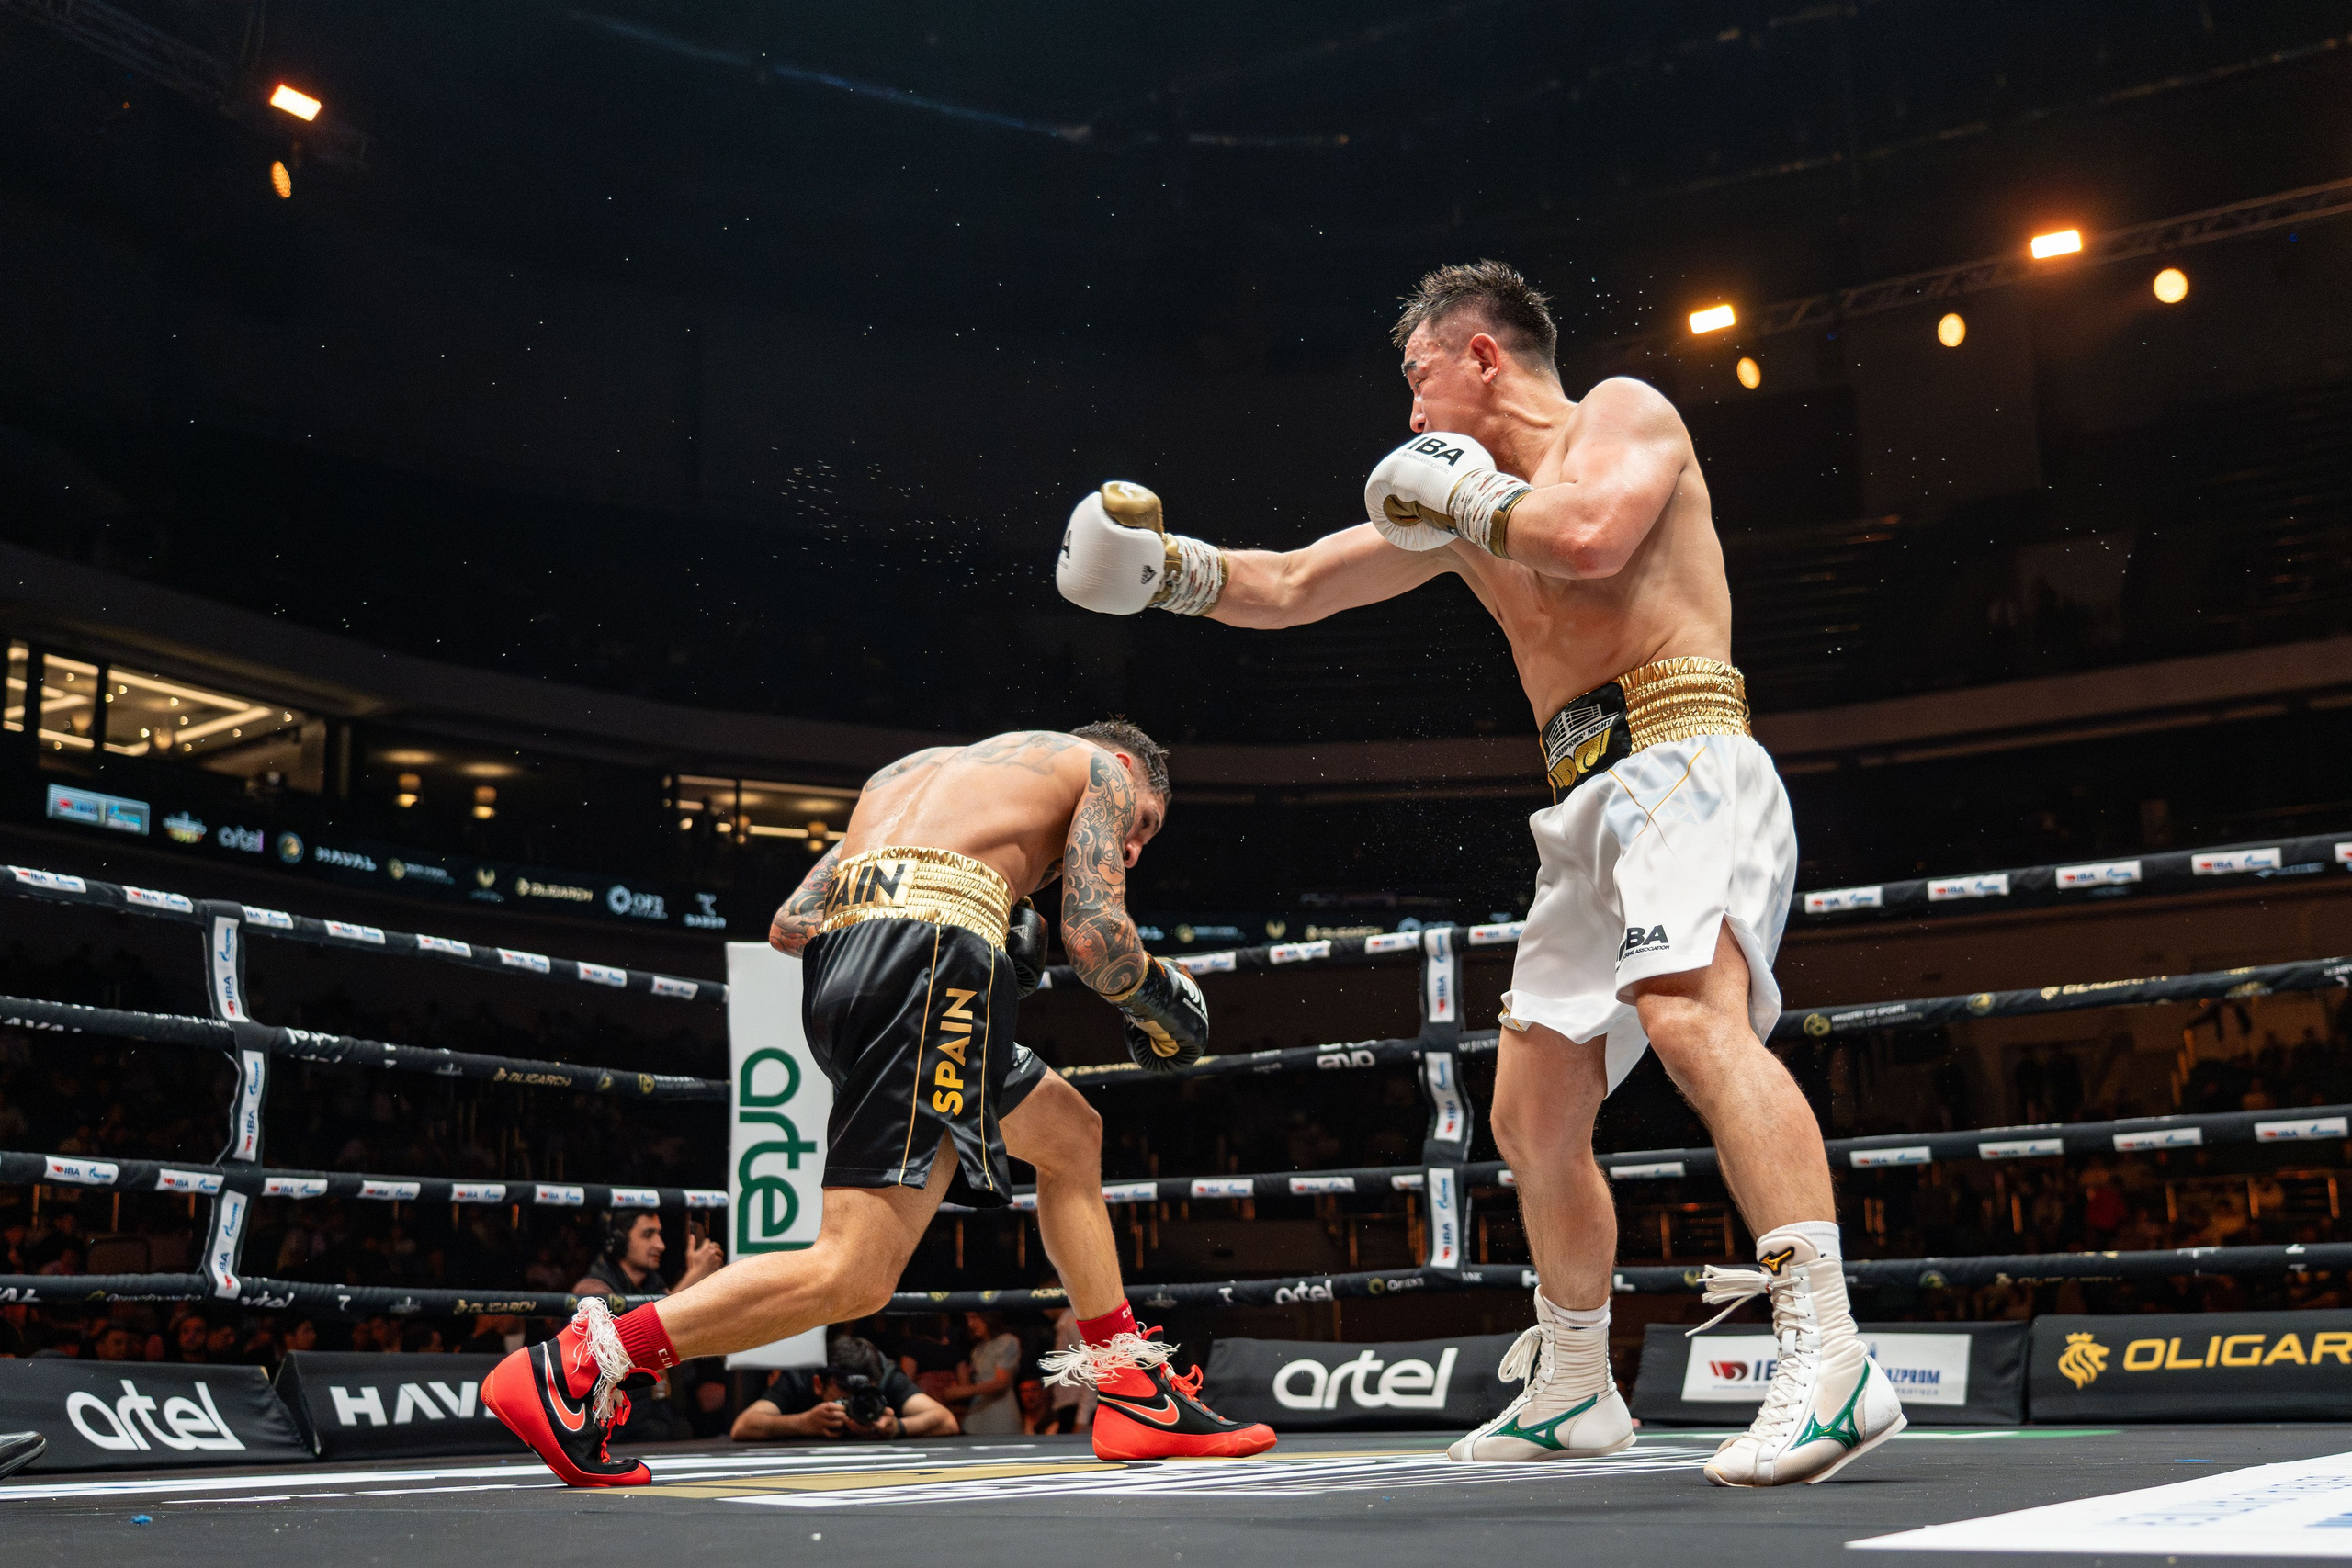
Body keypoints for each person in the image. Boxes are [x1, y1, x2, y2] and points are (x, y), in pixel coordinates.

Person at [1053, 260, 1904, 1488]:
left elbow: (1594, 538)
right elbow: (1292, 582)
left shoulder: (1621, 414)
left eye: (1418, 376)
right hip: (1582, 802)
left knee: (1689, 1018)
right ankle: (1575, 1383)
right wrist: (1163, 571)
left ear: (1482, 355)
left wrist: (1466, 496)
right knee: (1531, 1111)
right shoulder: (1458, 510)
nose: (1407, 418)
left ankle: (1829, 1354)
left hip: (1683, 757)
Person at [486, 723, 1274, 1486]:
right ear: (1123, 769)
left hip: (846, 975)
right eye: (1140, 826)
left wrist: (995, 916)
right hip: (932, 964)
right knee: (855, 1271)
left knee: (1070, 1132)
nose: (1131, 848)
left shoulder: (908, 774)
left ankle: (1130, 1389)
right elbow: (1100, 944)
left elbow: (792, 925)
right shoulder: (1095, 767)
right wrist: (1162, 1000)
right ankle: (583, 1361)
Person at [571, 1210, 725, 1444]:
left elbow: (676, 1317)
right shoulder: (591, 1288)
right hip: (613, 1431)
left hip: (661, 1423)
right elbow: (629, 1334)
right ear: (619, 1240)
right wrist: (694, 1277)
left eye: (659, 1235)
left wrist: (700, 1282)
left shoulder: (652, 1284)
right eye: (647, 1234)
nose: (660, 1245)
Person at [731, 1334, 956, 1442]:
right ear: (819, 1385)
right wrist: (803, 1423)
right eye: (845, 1393)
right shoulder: (802, 1376)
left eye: (864, 1392)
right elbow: (743, 1426)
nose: (855, 1401)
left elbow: (946, 1420)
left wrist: (897, 1427)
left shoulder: (884, 1374)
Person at [944, 1311, 1023, 1434]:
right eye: (968, 1319)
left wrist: (961, 1392)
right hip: (977, 1414)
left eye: (974, 1318)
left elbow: (1001, 1382)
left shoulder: (1007, 1341)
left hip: (1000, 1414)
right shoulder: (977, 1350)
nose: (970, 1324)